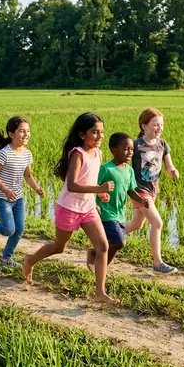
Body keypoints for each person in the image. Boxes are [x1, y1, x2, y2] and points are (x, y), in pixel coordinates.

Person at [23, 112, 119, 305]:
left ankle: (100, 292)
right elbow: (72, 185)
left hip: (88, 208)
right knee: (60, 247)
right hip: (69, 208)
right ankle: (30, 260)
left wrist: (98, 194)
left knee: (102, 246)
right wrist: (99, 188)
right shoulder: (78, 153)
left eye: (102, 132)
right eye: (95, 132)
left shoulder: (98, 153)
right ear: (83, 134)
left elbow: (89, 179)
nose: (100, 136)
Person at [0, 116, 45, 267]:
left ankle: (6, 257)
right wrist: (6, 190)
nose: (26, 134)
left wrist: (36, 187)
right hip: (1, 197)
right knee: (8, 230)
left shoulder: (27, 154)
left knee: (19, 229)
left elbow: (27, 175)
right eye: (22, 131)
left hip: (17, 198)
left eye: (28, 131)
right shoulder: (5, 153)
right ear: (11, 134)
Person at [124, 108, 179, 275]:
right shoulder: (136, 145)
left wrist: (173, 171)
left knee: (136, 224)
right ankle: (157, 263)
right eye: (155, 125)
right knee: (157, 223)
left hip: (152, 190)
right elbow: (124, 165)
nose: (159, 128)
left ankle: (104, 234)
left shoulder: (163, 144)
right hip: (139, 191)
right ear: (144, 125)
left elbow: (169, 166)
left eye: (161, 125)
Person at [86, 132, 149, 270]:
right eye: (126, 149)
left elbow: (131, 190)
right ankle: (99, 264)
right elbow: (92, 187)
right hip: (105, 213)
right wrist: (95, 203)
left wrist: (142, 200)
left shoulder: (129, 171)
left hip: (119, 214)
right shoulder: (105, 169)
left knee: (110, 243)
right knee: (120, 242)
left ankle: (95, 256)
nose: (130, 152)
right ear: (113, 150)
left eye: (132, 149)